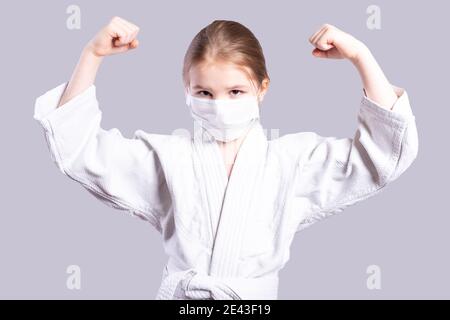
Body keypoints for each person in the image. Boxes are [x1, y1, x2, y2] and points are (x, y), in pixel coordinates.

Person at [33, 16, 419, 299]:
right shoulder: (166, 158)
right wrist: (92, 54)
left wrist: (361, 56)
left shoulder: (292, 161)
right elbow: (80, 148)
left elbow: (380, 157)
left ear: (262, 89)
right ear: (186, 89)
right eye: (204, 93)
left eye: (235, 91)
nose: (220, 104)